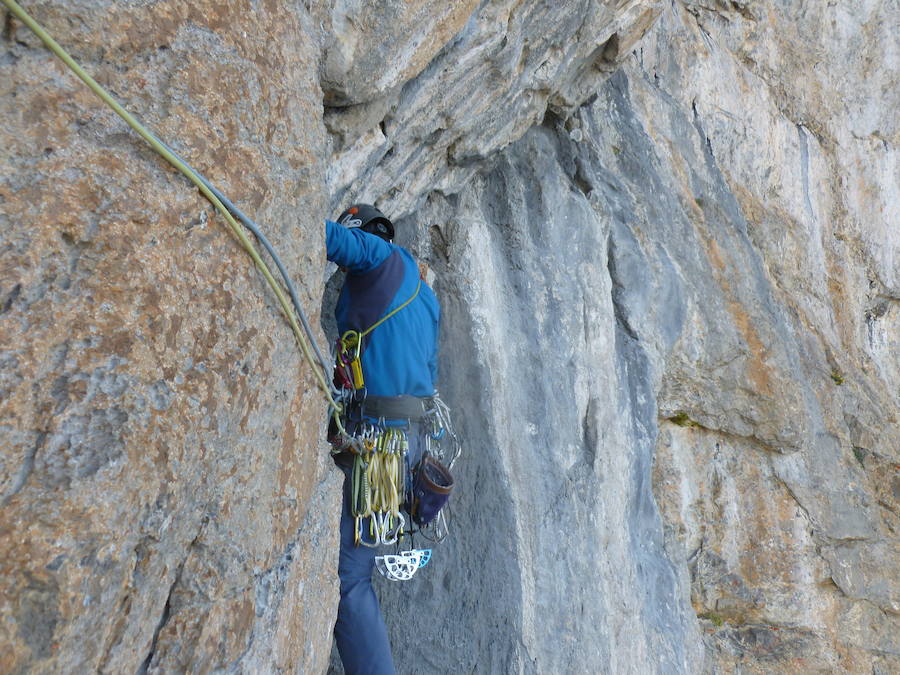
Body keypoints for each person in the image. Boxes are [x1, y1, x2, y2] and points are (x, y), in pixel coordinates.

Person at [325, 204, 441, 675]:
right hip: (411, 438)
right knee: (361, 567)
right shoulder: (425, 295)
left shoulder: (381, 257)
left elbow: (336, 240)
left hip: (381, 440)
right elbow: (429, 373)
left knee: (350, 576)